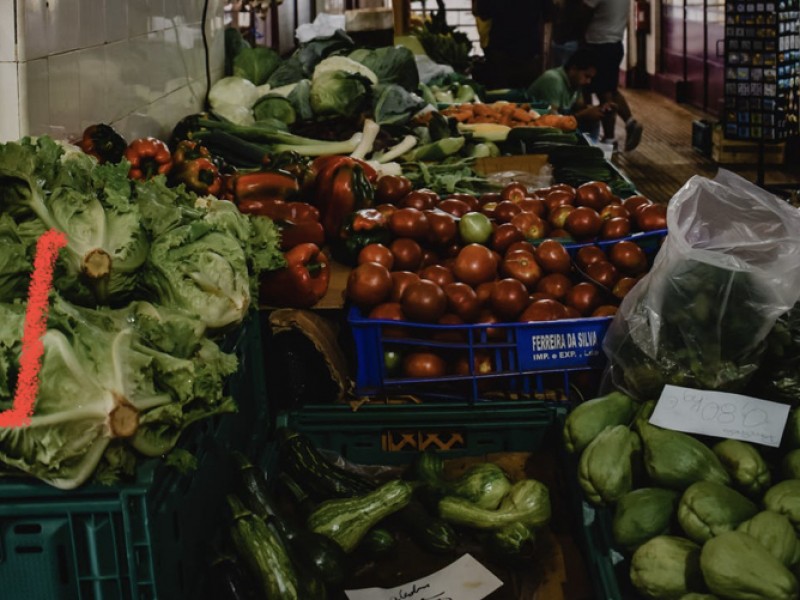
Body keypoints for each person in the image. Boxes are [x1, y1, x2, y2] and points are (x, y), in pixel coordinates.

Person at [581, 0, 644, 151]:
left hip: (598, 43)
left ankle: (609, 139)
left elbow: (583, 12)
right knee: (609, 89)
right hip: (615, 42)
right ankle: (630, 123)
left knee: (605, 93)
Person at [527, 47, 616, 135]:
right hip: (534, 128)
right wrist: (581, 116)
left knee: (593, 120)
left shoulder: (574, 83)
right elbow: (552, 122)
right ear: (573, 69)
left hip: (554, 125)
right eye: (586, 76)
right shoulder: (553, 80)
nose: (588, 81)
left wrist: (600, 109)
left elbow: (580, 107)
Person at [472, 0, 550, 90]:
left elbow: (483, 13)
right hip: (529, 51)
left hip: (500, 49)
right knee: (527, 97)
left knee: (499, 97)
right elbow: (548, 15)